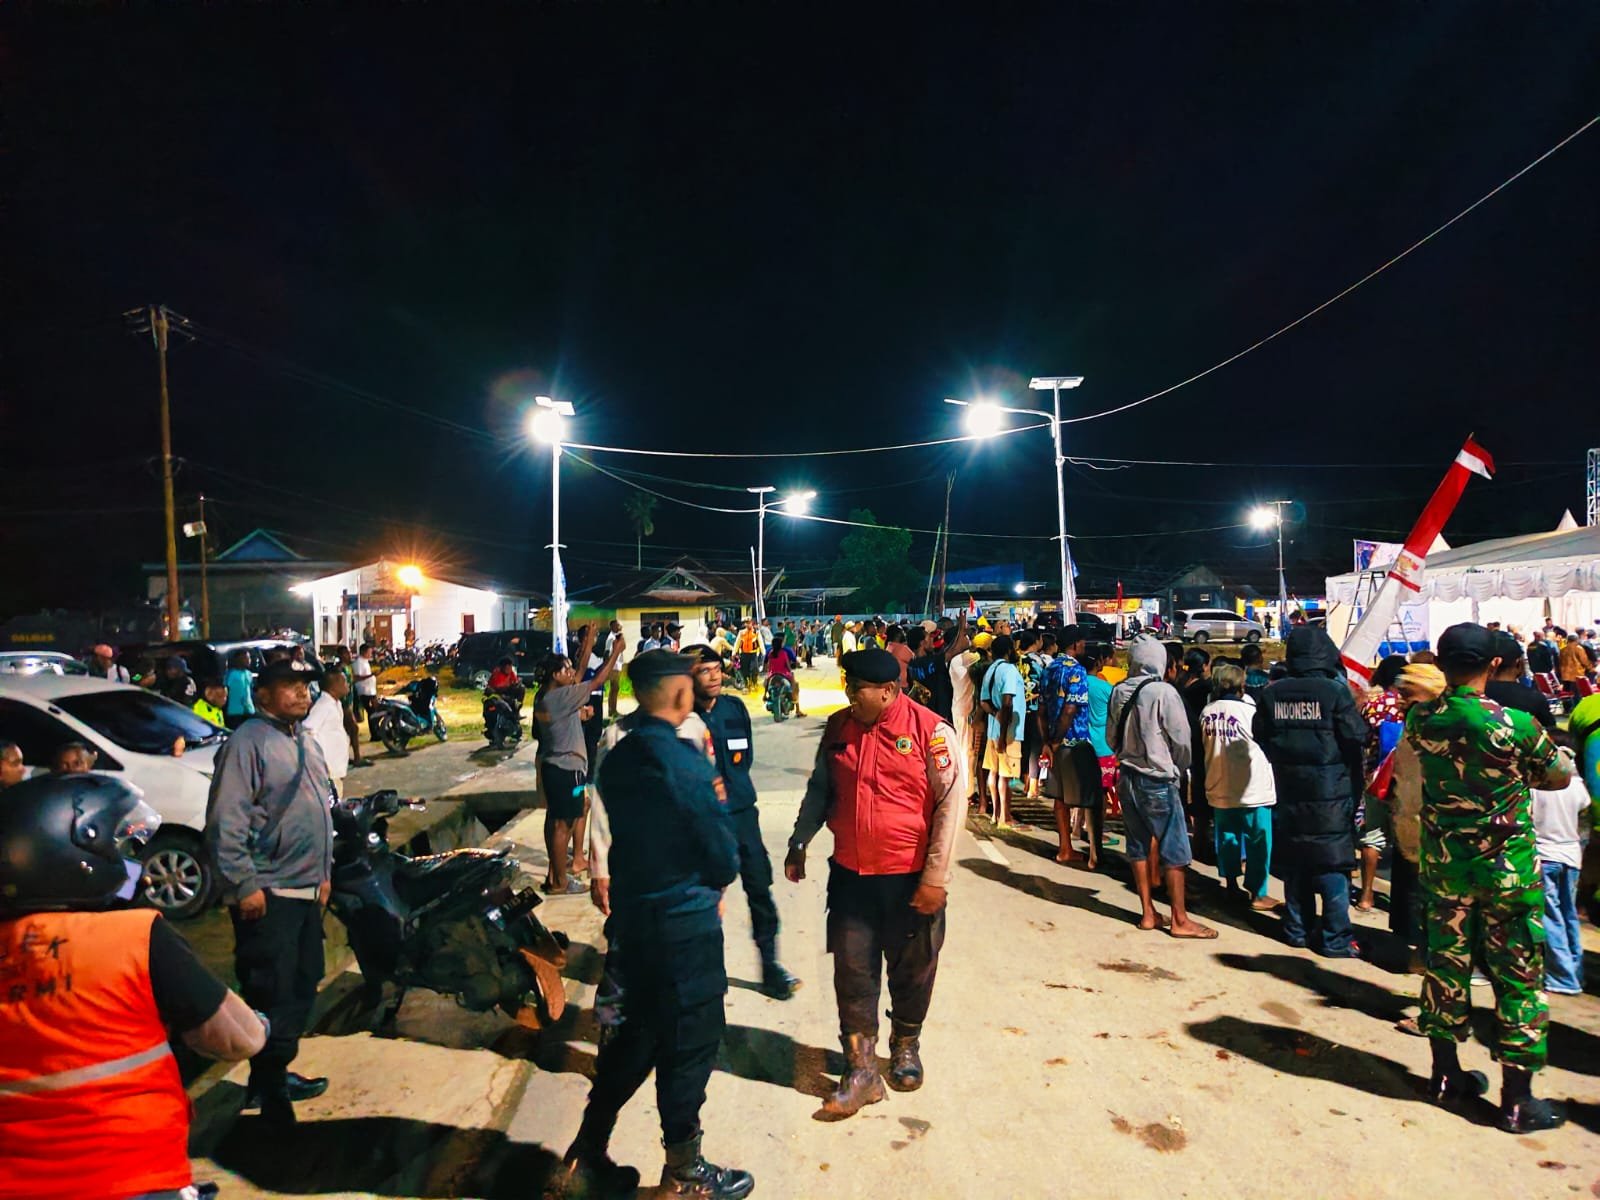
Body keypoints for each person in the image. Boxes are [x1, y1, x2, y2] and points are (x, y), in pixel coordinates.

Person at [0, 773, 268, 1199]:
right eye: (115, 848)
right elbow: (240, 1038)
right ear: (74, 857)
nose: (127, 862)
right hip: (135, 1174)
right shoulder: (134, 937)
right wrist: (260, 1024)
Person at [546, 650, 752, 1200]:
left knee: (634, 1038)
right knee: (689, 1042)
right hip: (684, 927)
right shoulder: (683, 761)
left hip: (634, 924)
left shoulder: (620, 755)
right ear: (679, 692)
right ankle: (685, 1173)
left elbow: (607, 820)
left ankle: (586, 1154)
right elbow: (721, 854)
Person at [1406, 622, 1573, 1133]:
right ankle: (1517, 1101)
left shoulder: (1421, 718)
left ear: (1441, 662)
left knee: (1446, 966)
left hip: (1446, 868)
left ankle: (1444, 1076)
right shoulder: (1515, 724)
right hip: (1507, 873)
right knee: (1518, 977)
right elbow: (1558, 776)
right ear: (1494, 664)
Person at [785, 647, 963, 1117]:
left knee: (913, 970)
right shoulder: (838, 727)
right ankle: (861, 1070)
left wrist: (935, 876)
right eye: (847, 684)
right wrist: (800, 839)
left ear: (888, 691)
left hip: (910, 879)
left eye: (857, 688)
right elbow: (821, 788)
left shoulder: (930, 731)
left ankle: (905, 1045)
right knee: (852, 971)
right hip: (851, 877)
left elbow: (950, 804)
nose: (849, 694)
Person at [204, 658, 334, 1127]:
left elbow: (320, 808)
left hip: (305, 890)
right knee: (271, 989)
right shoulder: (247, 743)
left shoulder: (305, 741)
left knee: (302, 981)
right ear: (262, 695)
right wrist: (244, 884)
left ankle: (271, 1073)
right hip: (269, 892)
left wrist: (323, 873)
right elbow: (227, 820)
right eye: (289, 685)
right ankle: (271, 1089)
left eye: (305, 685)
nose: (301, 693)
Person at [685, 644, 799, 998]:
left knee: (759, 889)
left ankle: (770, 965)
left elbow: (744, 758)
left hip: (742, 815)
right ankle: (706, 971)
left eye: (716, 668)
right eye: (704, 671)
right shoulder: (682, 718)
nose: (714, 676)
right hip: (702, 822)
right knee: (704, 898)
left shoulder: (734, 708)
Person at [1255, 626, 1365, 958]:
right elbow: (1356, 737)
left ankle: (1296, 931)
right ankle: (1335, 939)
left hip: (1288, 788)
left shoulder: (1272, 693)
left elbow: (1260, 735)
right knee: (1332, 865)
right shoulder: (1335, 692)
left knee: (1297, 863)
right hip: (1331, 792)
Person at [1107, 635, 1214, 938]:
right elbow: (1181, 739)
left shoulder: (1119, 691)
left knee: (1138, 847)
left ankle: (1148, 913)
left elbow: (1111, 738)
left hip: (1127, 777)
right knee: (1174, 849)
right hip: (1158, 779)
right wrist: (1177, 766)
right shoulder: (1164, 692)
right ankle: (1180, 918)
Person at [533, 626, 625, 894]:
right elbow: (595, 681)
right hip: (567, 769)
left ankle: (555, 874)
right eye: (566, 669)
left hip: (556, 767)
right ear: (555, 675)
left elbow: (581, 672)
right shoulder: (560, 697)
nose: (571, 672)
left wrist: (588, 643)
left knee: (561, 817)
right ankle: (560, 882)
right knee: (564, 823)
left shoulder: (547, 696)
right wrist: (616, 653)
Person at [1200, 662, 1277, 908]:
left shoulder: (1207, 712)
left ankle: (1231, 884)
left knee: (1227, 838)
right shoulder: (1250, 711)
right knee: (1258, 840)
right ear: (1241, 686)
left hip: (1219, 783)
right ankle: (1258, 892)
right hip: (1252, 787)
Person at [1532, 733, 1589, 997]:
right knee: (1568, 916)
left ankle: (1562, 978)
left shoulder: (1538, 786)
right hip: (1572, 856)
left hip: (1545, 855)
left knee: (1550, 917)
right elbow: (1584, 809)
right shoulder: (1577, 786)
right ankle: (1575, 971)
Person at [1040, 625, 1100, 867]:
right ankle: (1095, 855)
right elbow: (1070, 709)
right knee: (1091, 798)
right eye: (1082, 642)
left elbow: (1041, 710)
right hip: (1075, 743)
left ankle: (1064, 848)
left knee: (1060, 798)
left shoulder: (1049, 669)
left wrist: (1048, 742)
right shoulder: (1077, 670)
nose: (1084, 646)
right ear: (1075, 644)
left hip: (1054, 743)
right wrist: (1055, 741)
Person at [1356, 654, 1408, 912]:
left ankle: (1366, 896)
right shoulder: (1412, 705)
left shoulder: (1372, 705)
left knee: (1372, 837)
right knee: (1405, 841)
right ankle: (1402, 900)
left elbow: (1363, 739)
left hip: (1375, 780)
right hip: (1406, 780)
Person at [979, 634, 1025, 825]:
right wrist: (1003, 733)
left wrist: (995, 714)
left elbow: (983, 701)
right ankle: (1005, 817)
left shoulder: (991, 670)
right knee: (1005, 775)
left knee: (994, 771)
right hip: (1009, 732)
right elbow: (1008, 702)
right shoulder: (1010, 670)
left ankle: (995, 814)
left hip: (993, 730)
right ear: (1008, 650)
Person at [303, 665, 352, 797]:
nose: (347, 685)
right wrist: (320, 762)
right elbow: (307, 731)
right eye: (344, 682)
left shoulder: (336, 703)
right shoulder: (323, 705)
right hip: (327, 773)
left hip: (336, 769)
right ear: (334, 686)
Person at [763, 633, 805, 717]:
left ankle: (764, 695)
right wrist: (792, 668)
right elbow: (789, 665)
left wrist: (768, 672)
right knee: (795, 685)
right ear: (782, 641)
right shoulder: (785, 651)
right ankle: (797, 709)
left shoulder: (769, 652)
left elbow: (766, 665)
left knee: (766, 683)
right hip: (784, 673)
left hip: (771, 674)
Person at [352, 642, 379, 733]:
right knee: (371, 712)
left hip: (371, 691)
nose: (370, 654)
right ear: (363, 652)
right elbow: (357, 677)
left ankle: (377, 731)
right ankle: (374, 733)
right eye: (369, 652)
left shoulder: (365, 661)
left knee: (375, 711)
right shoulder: (358, 662)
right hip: (365, 691)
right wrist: (371, 675)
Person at [604, 619, 626, 719]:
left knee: (615, 689)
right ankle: (612, 710)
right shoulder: (611, 638)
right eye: (617, 625)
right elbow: (607, 652)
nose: (619, 627)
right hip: (613, 666)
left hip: (616, 665)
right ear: (612, 627)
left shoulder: (616, 637)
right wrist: (608, 666)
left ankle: (612, 710)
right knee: (614, 688)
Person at [1558, 630, 1591, 697]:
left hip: (1565, 675)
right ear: (1577, 639)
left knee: (1569, 693)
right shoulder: (1578, 648)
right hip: (1577, 674)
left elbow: (1560, 661)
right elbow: (1584, 661)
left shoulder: (1562, 649)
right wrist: (1590, 668)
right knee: (1577, 694)